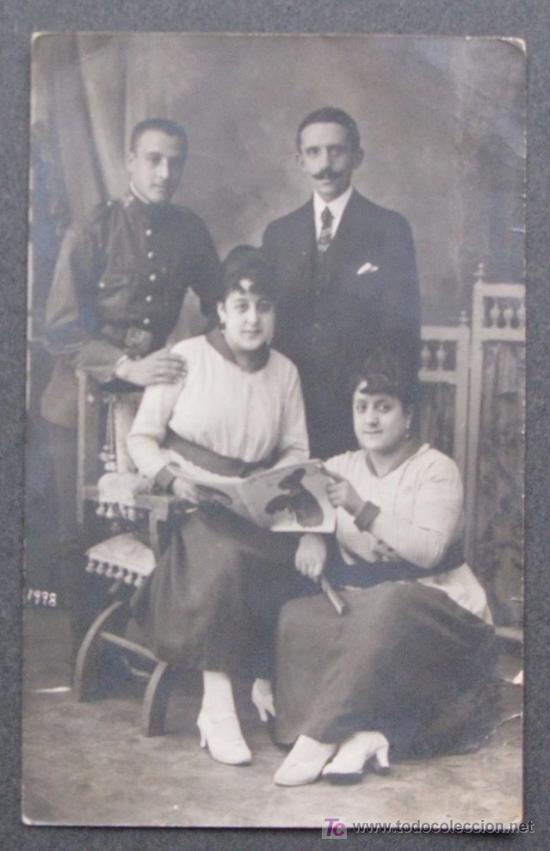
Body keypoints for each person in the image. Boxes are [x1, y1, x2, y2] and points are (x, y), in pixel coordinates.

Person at [272, 350, 496, 786]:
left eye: (384, 407)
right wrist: (312, 535)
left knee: (388, 602)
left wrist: (360, 506)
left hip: (440, 608)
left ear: (408, 414)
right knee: (297, 616)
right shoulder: (339, 467)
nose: (370, 420)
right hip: (373, 604)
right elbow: (302, 507)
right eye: (361, 407)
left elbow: (428, 552)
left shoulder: (436, 470)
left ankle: (319, 736)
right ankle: (358, 733)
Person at [127, 246, 310, 767]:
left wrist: (275, 486)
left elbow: (297, 450)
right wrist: (170, 478)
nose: (253, 318)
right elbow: (143, 437)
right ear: (222, 310)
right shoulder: (187, 358)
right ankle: (217, 704)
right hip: (194, 503)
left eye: (264, 306)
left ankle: (267, 678)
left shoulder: (285, 373)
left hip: (254, 506)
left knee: (295, 562)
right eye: (242, 304)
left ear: (274, 313)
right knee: (225, 560)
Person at [40, 118, 221, 627]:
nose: (166, 172)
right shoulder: (94, 228)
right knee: (83, 531)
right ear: (130, 162)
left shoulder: (190, 231)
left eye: (176, 161)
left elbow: (220, 305)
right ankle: (90, 661)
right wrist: (125, 366)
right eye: (154, 159)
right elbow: (59, 329)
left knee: (149, 526)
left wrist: (202, 362)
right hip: (76, 405)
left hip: (147, 409)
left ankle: (143, 643)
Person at [262, 107, 420, 458]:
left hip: (358, 406)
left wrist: (378, 405)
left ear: (357, 157)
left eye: (336, 150)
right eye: (313, 152)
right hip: (289, 403)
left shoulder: (389, 229)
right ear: (300, 161)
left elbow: (402, 330)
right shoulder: (278, 234)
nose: (325, 164)